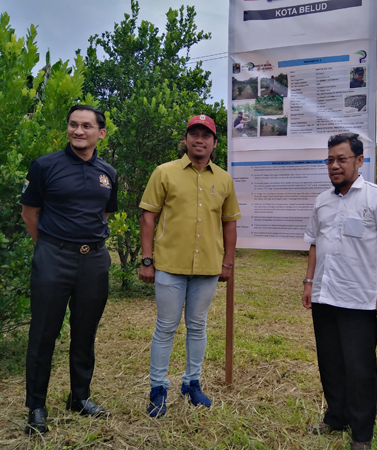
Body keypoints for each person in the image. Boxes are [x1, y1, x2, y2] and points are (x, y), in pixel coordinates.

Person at [302, 133, 377, 450]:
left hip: (359, 300)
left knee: (359, 368)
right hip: (324, 295)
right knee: (330, 363)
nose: (334, 165)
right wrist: (309, 283)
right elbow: (315, 244)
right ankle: (335, 417)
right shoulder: (322, 201)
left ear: (359, 161)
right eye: (330, 159)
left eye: (341, 159)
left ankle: (361, 433)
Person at [20, 105, 118, 434]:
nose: (79, 131)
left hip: (93, 261)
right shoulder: (46, 166)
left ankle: (79, 397)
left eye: (87, 126)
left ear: (100, 133)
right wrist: (49, 247)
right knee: (43, 333)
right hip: (53, 257)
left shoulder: (109, 173)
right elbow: (29, 213)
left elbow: (103, 214)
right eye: (73, 125)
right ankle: (36, 405)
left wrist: (85, 247)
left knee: (85, 332)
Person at [139, 114, 241, 417]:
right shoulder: (164, 173)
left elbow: (230, 223)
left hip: (208, 268)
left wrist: (228, 262)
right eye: (193, 134)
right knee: (166, 327)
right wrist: (147, 260)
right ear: (185, 140)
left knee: (197, 326)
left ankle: (191, 382)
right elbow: (148, 217)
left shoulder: (223, 179)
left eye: (205, 135)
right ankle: (158, 387)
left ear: (214, 143)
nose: (199, 140)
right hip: (169, 265)